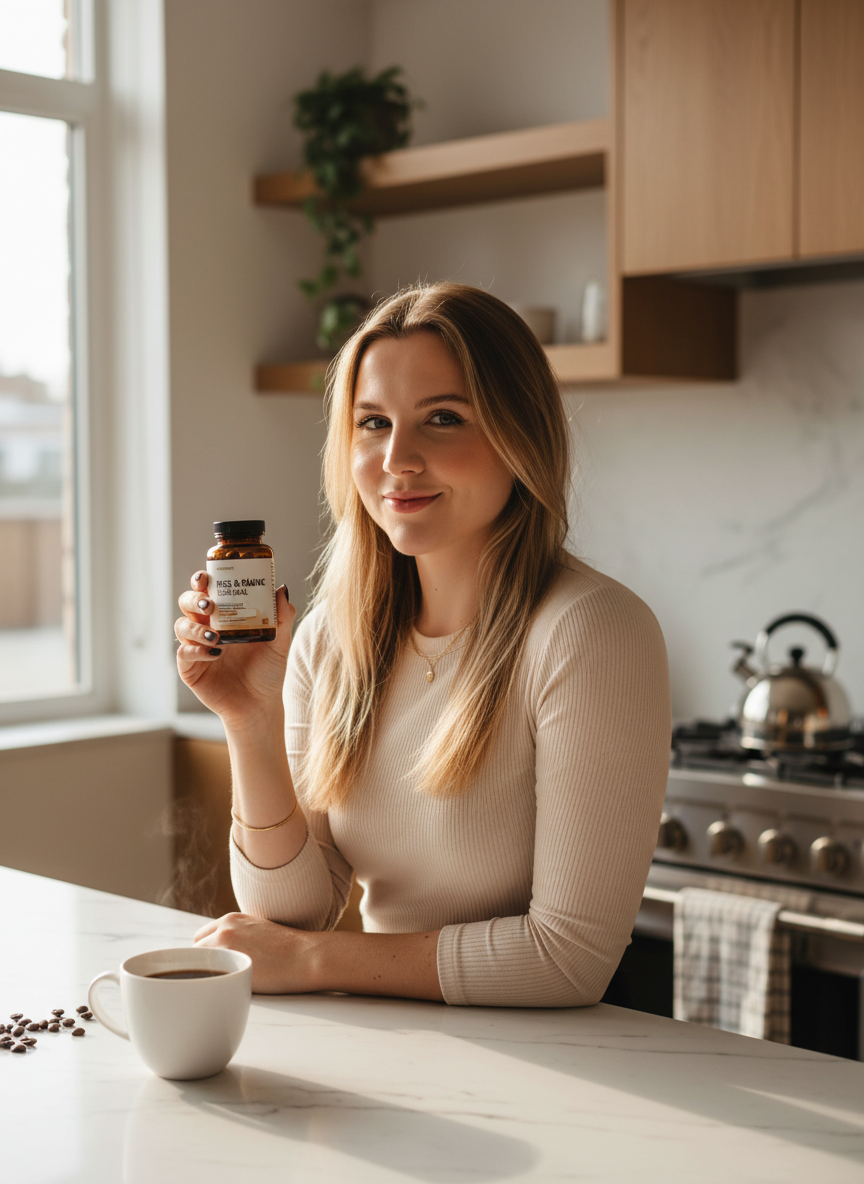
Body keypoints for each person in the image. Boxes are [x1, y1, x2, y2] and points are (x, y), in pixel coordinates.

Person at [177, 282, 671, 1006]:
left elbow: (567, 959)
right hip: (391, 1050)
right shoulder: (326, 637)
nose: (397, 459)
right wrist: (249, 721)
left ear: (520, 435)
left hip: (554, 1076)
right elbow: (290, 917)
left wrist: (317, 962)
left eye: (442, 419)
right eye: (372, 423)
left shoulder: (591, 631)